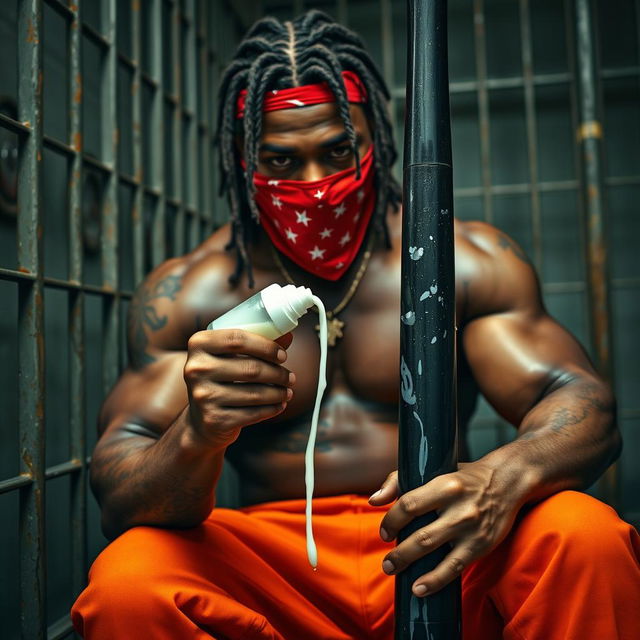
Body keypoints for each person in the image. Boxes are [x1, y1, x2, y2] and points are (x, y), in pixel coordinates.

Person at [71, 10, 640, 640]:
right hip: (282, 566)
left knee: (584, 535)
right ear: (241, 162)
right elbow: (120, 498)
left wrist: (499, 477)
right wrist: (197, 432)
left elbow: (583, 404)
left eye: (339, 150)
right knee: (128, 579)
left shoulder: (466, 261)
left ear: (378, 139)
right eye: (282, 161)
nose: (316, 185)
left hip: (447, 540)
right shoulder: (195, 292)